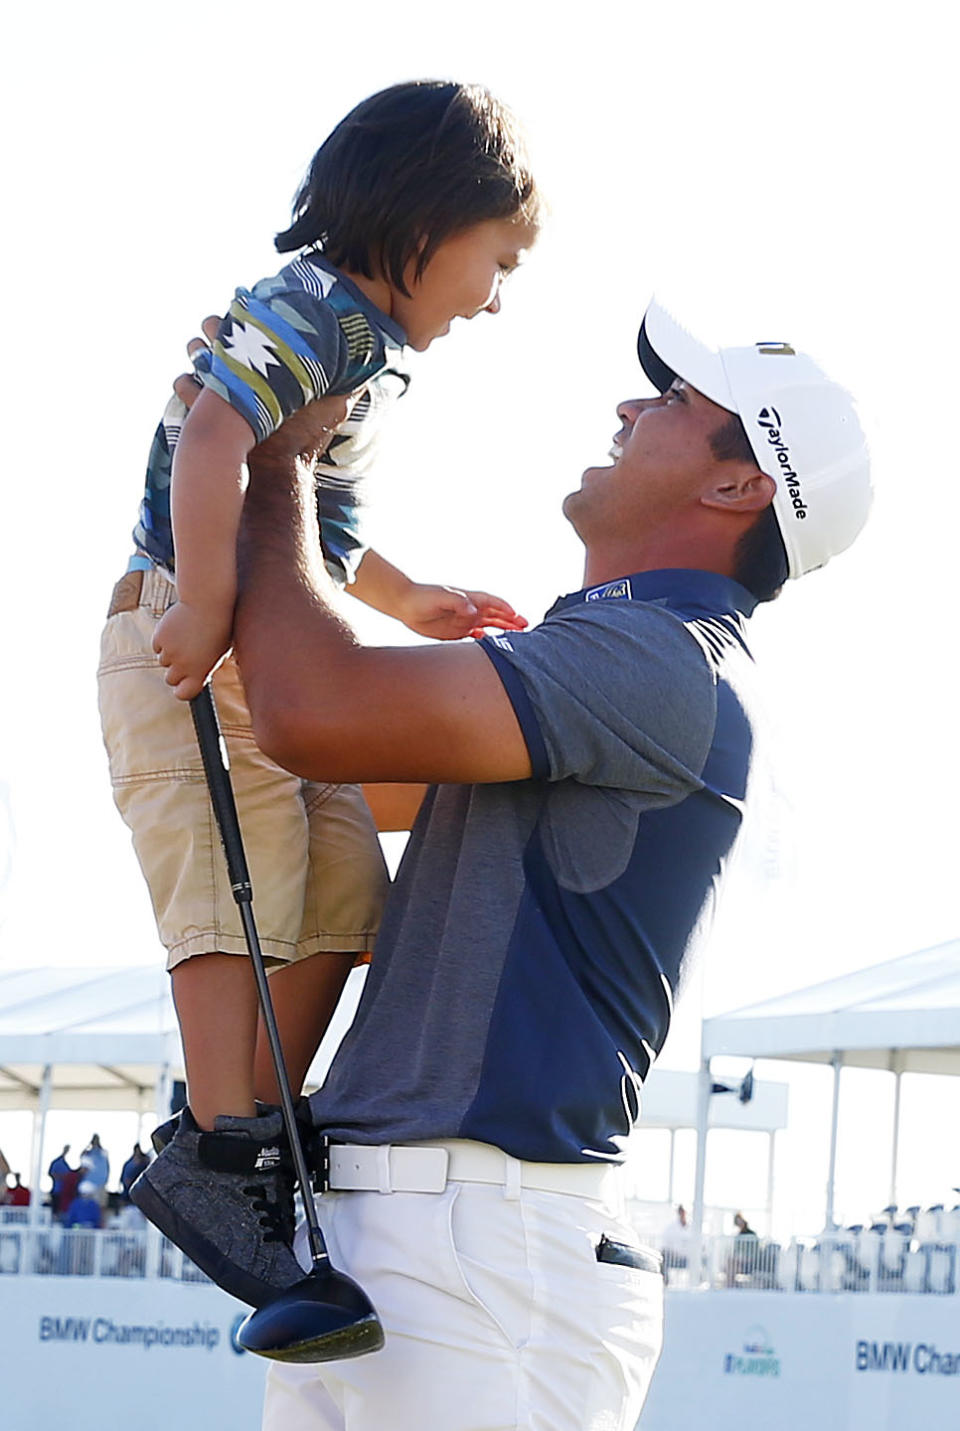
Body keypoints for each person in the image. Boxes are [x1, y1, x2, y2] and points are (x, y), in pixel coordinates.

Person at [183, 296, 870, 1431]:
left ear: (740, 485)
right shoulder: (630, 651)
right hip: (431, 1237)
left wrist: (274, 450)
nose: (628, 404)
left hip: (485, 1246)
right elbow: (321, 768)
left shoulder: (658, 659)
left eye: (674, 401)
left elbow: (308, 716)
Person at [98, 78, 540, 1310]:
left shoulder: (374, 352)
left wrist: (412, 604)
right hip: (186, 643)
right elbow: (212, 444)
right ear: (426, 220)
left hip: (261, 653)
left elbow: (323, 519)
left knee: (346, 896)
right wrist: (198, 605)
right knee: (228, 887)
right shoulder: (311, 310)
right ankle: (216, 1139)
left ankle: (263, 1117)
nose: (499, 298)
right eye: (496, 261)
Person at [79, 1134, 109, 1208]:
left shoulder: (103, 1153)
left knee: (100, 1206)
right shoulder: (88, 1154)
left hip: (100, 1184)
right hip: (89, 1185)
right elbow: (83, 1168)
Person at [47, 1144, 73, 1217]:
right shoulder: (57, 1162)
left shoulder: (67, 1164)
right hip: (57, 1191)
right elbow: (52, 1173)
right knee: (55, 1211)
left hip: (67, 1192)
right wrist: (62, 1177)